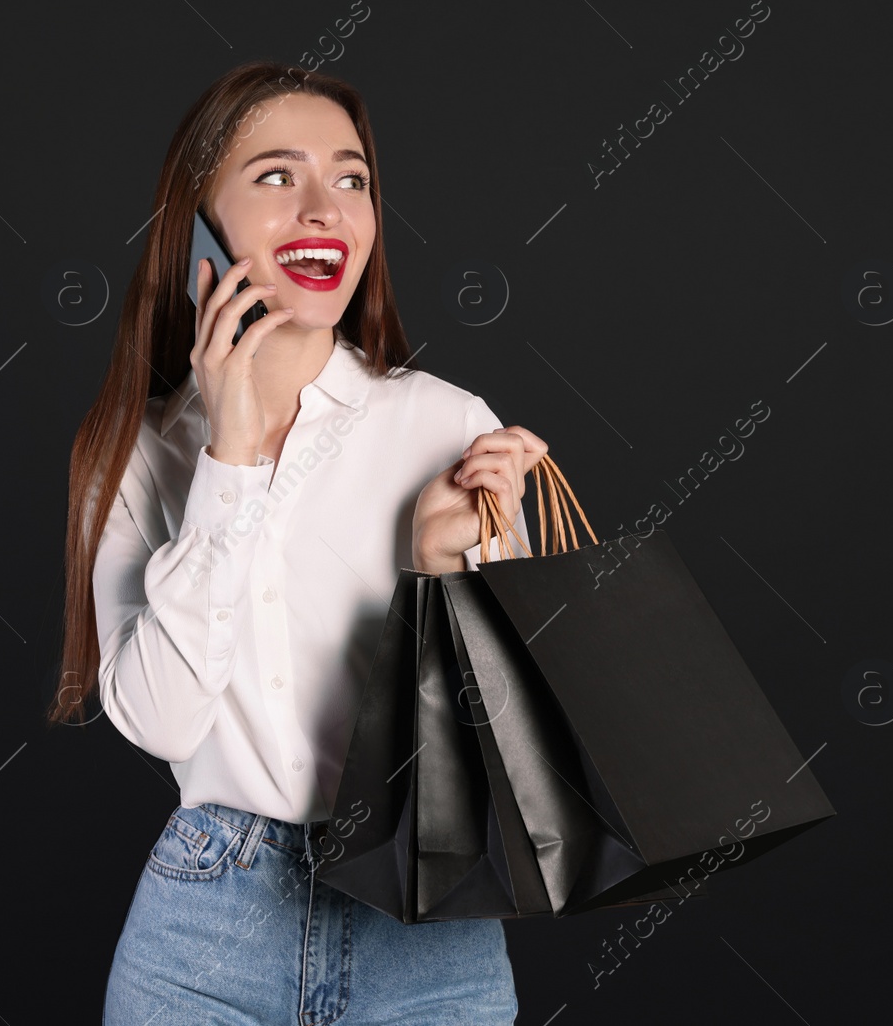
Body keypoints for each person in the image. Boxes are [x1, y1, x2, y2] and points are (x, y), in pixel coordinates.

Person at [50, 61, 549, 1025]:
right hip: (205, 926)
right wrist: (230, 458)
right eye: (278, 177)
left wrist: (439, 566)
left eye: (351, 179)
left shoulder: (447, 426)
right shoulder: (132, 453)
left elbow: (514, 742)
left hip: (428, 921)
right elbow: (160, 721)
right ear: (199, 225)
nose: (324, 208)